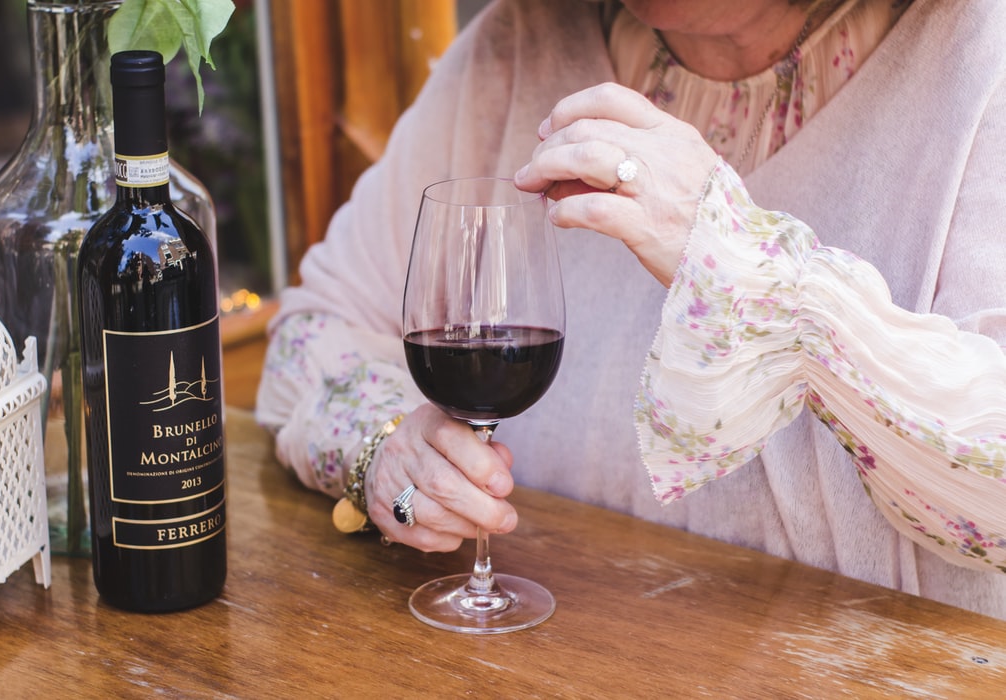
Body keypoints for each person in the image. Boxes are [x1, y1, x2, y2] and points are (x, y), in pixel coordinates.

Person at [257, 0, 1006, 619]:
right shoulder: (519, 45)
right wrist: (384, 448)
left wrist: (740, 262)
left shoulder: (983, 55)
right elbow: (316, 331)